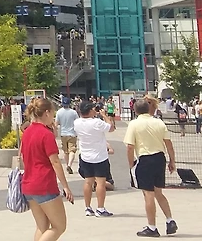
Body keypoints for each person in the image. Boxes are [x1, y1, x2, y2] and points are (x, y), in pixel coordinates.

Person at [20, 97, 74, 241]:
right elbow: (55, 162)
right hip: (44, 184)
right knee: (59, 226)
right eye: (53, 113)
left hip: (28, 184)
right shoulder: (46, 134)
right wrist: (65, 186)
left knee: (42, 227)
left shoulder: (27, 132)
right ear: (47, 113)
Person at [124, 98, 177, 237]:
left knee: (148, 194)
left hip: (145, 158)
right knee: (158, 192)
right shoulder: (159, 122)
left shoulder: (134, 124)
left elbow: (130, 147)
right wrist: (172, 161)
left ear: (135, 110)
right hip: (160, 158)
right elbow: (169, 144)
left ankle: (152, 227)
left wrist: (130, 164)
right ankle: (169, 219)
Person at [74, 100, 115, 217]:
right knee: (101, 183)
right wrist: (104, 115)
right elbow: (111, 128)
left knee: (88, 182)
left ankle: (88, 207)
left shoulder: (77, 122)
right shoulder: (97, 122)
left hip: (85, 156)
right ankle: (100, 208)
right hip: (99, 156)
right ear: (90, 110)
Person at [56, 99, 79, 175]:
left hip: (63, 133)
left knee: (66, 152)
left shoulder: (59, 112)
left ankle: (67, 165)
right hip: (72, 133)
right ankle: (69, 165)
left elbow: (56, 123)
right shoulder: (73, 112)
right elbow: (78, 122)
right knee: (72, 150)